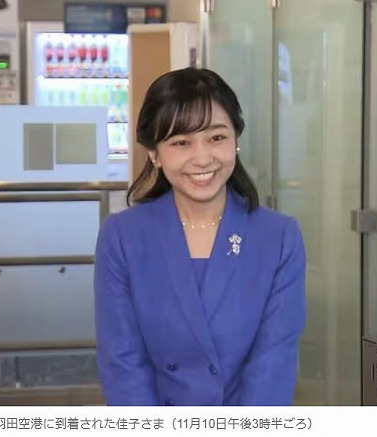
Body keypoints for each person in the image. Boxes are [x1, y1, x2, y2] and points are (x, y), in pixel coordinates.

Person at [93, 67, 306, 406]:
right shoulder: (122, 237)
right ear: (154, 154)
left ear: (235, 140)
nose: (203, 158)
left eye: (217, 138)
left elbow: (273, 367)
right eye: (181, 143)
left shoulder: (279, 238)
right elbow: (123, 364)